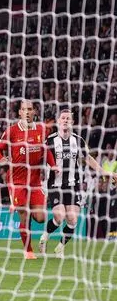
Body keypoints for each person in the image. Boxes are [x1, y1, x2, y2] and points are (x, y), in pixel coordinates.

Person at [40, 108, 117, 258]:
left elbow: (88, 159)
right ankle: (45, 237)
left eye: (68, 119)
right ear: (58, 121)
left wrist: (105, 172)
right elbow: (39, 159)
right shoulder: (50, 140)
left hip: (73, 185)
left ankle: (60, 247)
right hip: (55, 184)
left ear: (73, 122)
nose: (65, 121)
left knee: (73, 219)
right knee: (59, 216)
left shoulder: (78, 140)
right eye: (63, 118)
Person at [0, 100, 58, 260]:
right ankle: (28, 250)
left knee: (41, 217)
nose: (27, 112)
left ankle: (20, 208)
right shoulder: (12, 131)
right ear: (20, 113)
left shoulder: (42, 129)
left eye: (30, 109)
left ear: (34, 111)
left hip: (35, 181)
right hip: (17, 181)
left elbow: (46, 150)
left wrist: (53, 165)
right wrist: (1, 159)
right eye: (24, 110)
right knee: (24, 215)